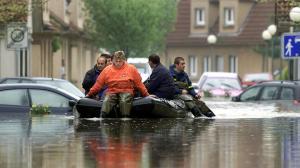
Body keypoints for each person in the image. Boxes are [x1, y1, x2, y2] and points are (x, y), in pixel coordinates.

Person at [87, 50, 149, 117]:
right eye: (116, 61)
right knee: (106, 101)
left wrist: (146, 95)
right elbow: (98, 84)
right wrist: (90, 94)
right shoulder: (107, 70)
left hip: (126, 91)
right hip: (112, 92)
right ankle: (103, 117)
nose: (118, 63)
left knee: (124, 100)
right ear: (113, 60)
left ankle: (125, 118)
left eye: (120, 61)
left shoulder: (131, 69)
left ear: (123, 60)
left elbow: (139, 84)